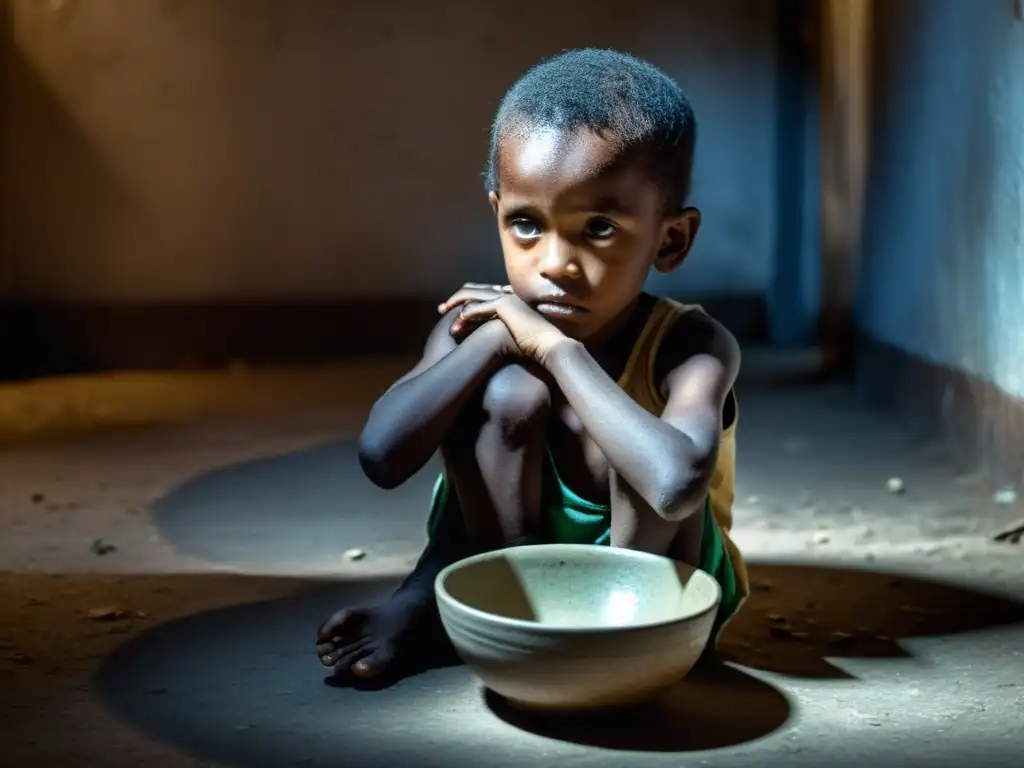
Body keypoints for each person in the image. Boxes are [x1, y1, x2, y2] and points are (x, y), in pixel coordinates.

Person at [316, 48, 749, 683]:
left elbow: (674, 483)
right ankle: (480, 606)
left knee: (634, 434)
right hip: (505, 562)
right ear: (497, 212)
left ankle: (625, 635)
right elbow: (382, 457)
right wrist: (493, 344)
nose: (554, 265)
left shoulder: (691, 343)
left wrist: (555, 349)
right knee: (507, 393)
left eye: (598, 228)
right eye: (525, 223)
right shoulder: (480, 323)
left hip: (658, 579)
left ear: (670, 239)